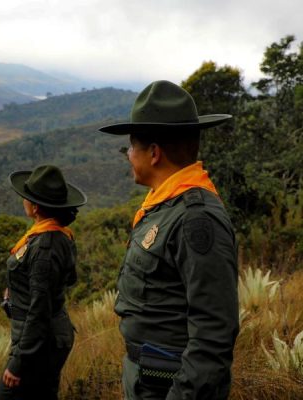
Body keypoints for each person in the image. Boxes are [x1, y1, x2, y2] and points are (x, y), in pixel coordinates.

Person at [98, 80, 239, 399]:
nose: (128, 155)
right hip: (148, 377)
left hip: (168, 385)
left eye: (131, 146)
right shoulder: (165, 206)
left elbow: (214, 336)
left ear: (154, 153)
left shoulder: (196, 219)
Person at [0, 164, 87, 400]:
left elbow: (40, 310)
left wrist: (19, 362)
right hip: (47, 338)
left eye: (26, 198)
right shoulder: (58, 235)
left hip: (40, 343)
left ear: (34, 207)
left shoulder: (45, 245)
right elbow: (66, 280)